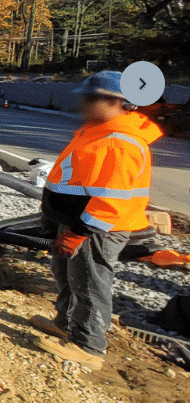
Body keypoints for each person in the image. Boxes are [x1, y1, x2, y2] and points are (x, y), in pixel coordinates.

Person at [30, 71, 163, 370]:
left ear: (116, 102)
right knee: (66, 273)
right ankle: (65, 323)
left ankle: (88, 346)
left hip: (97, 228)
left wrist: (79, 232)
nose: (84, 104)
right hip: (77, 221)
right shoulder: (97, 132)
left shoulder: (118, 142)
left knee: (89, 283)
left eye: (90, 98)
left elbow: (111, 201)